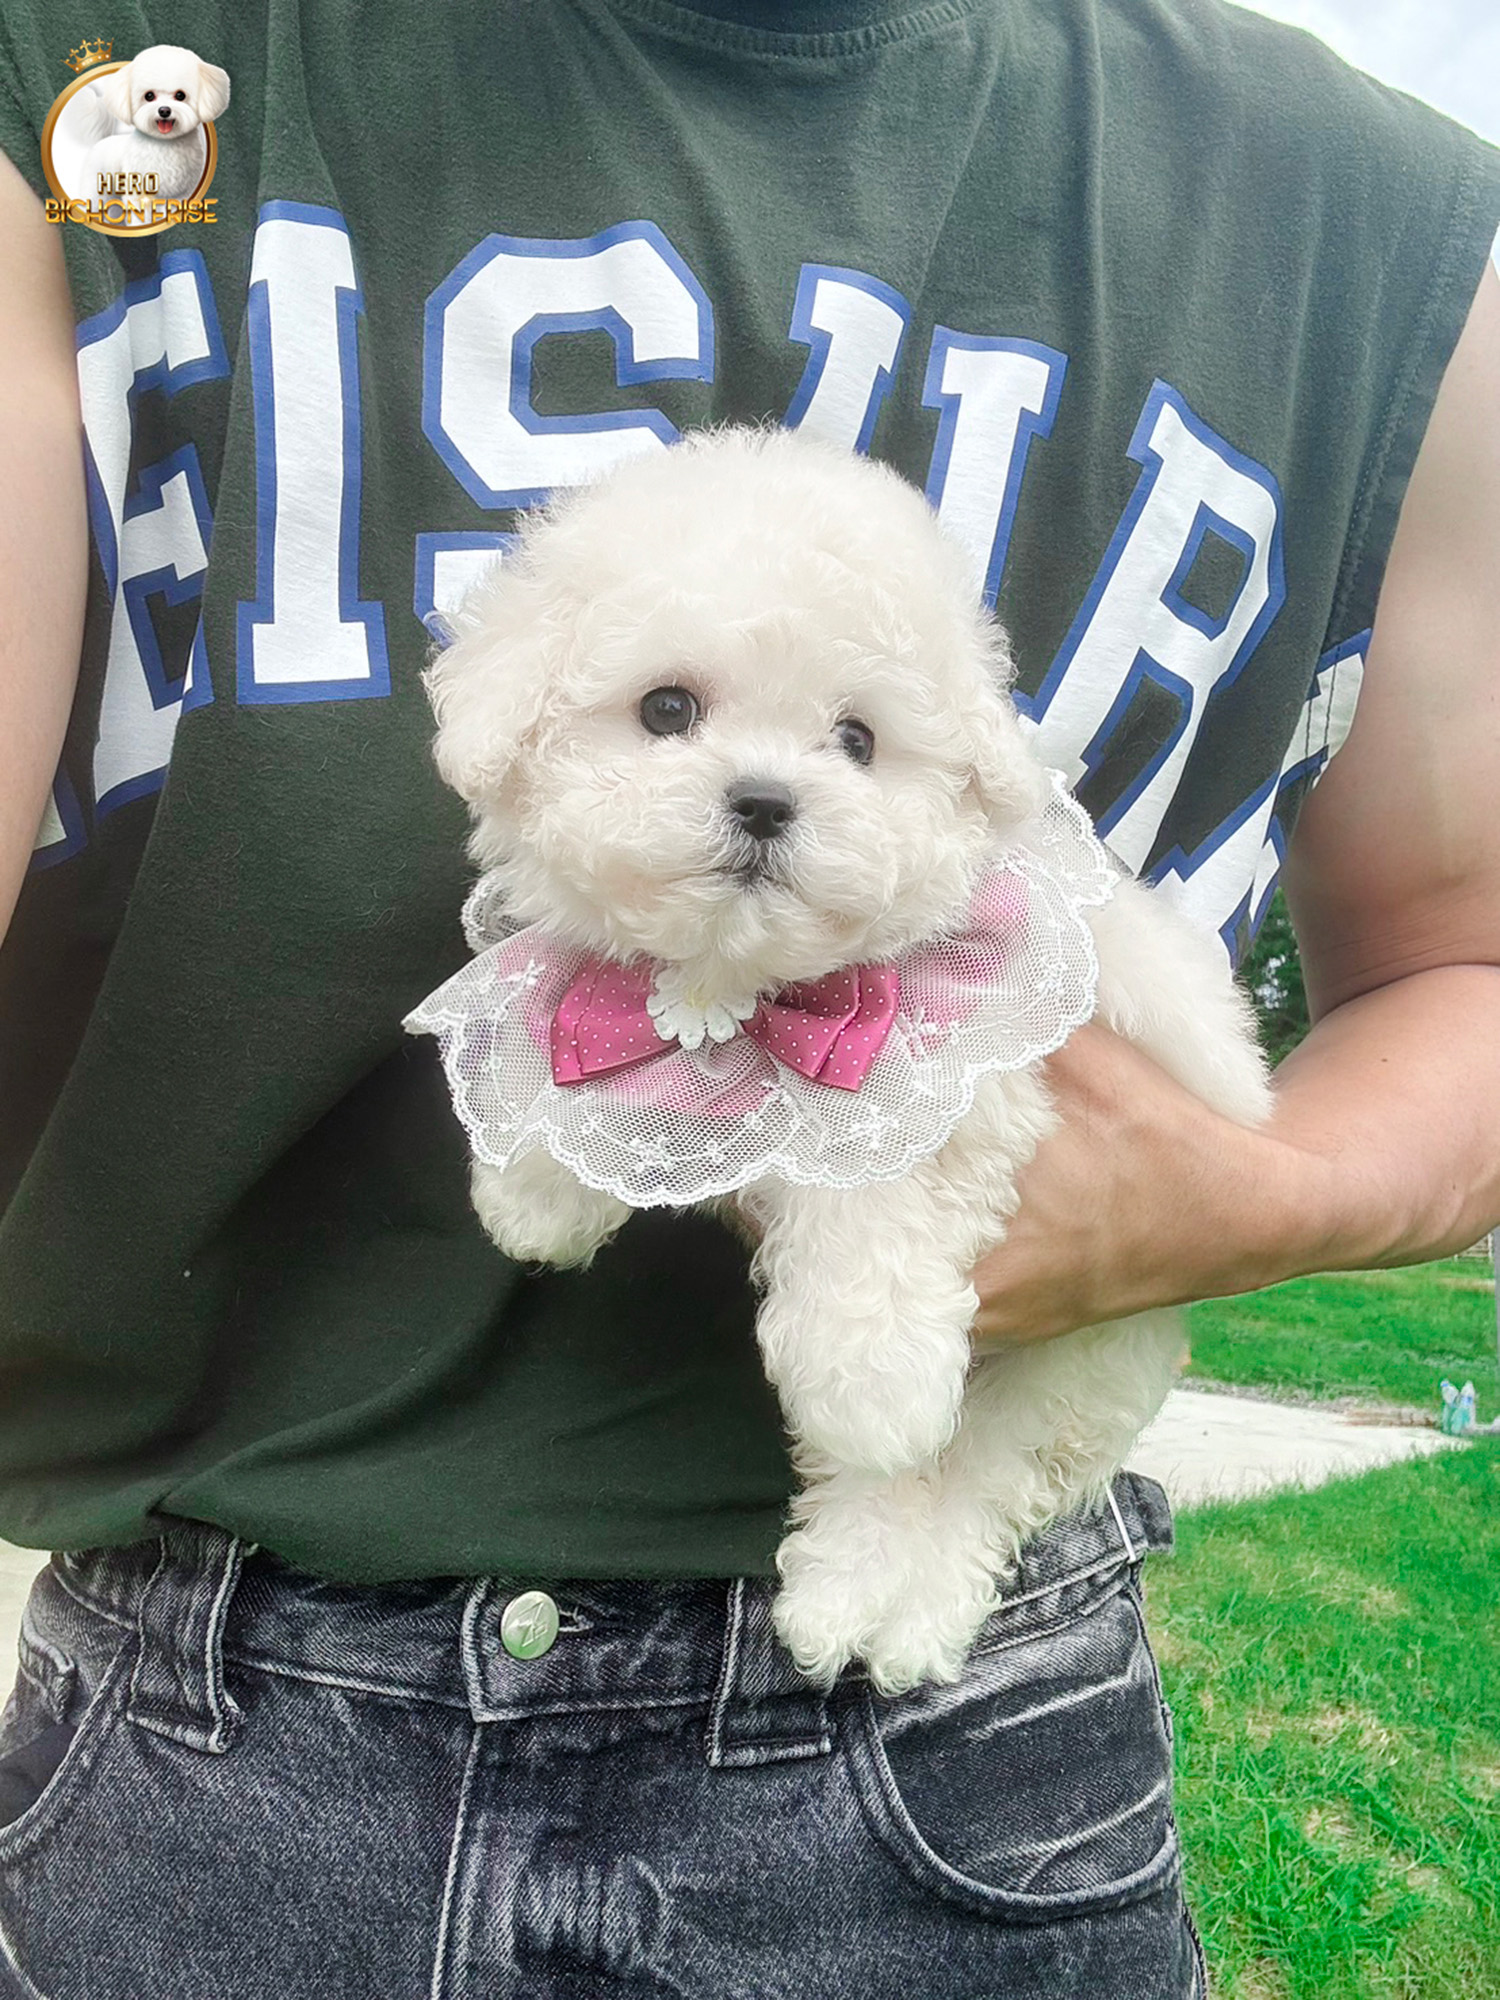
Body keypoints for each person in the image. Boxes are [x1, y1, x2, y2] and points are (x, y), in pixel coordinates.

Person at [2, 1, 1499, 1992]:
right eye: (675, 711)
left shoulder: (1372, 218)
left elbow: (1468, 956)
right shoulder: (113, 68)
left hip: (962, 1729)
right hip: (207, 1720)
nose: (763, 784)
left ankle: (923, 1515)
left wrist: (1249, 1197)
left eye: (848, 742)